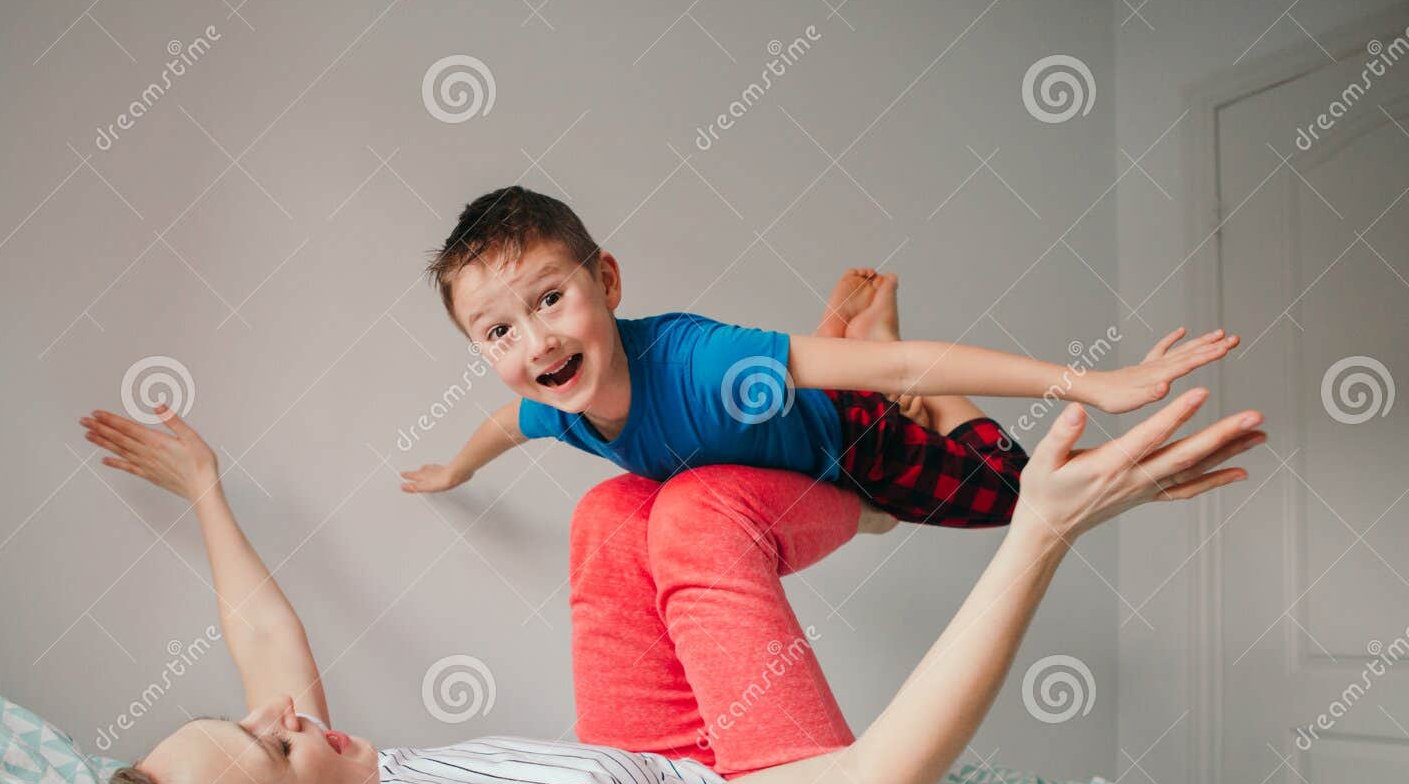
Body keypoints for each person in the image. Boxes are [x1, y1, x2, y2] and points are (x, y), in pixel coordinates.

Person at [54, 385, 1264, 784]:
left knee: (614, 510)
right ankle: (892, 490)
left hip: (662, 778)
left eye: (242, 717)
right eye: (272, 745)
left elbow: (271, 653)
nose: (283, 713)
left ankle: (857, 472)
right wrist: (1036, 531)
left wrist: (207, 488)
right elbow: (876, 773)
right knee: (695, 520)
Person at [399, 186, 1239, 531]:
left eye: (550, 298)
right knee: (819, 383)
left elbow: (910, 367)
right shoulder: (556, 404)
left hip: (850, 435)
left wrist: (1096, 382)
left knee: (1009, 495)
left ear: (607, 281)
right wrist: (456, 472)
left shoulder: (701, 364)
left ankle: (858, 343)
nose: (536, 341)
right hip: (801, 414)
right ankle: (846, 336)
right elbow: (502, 424)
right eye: (498, 332)